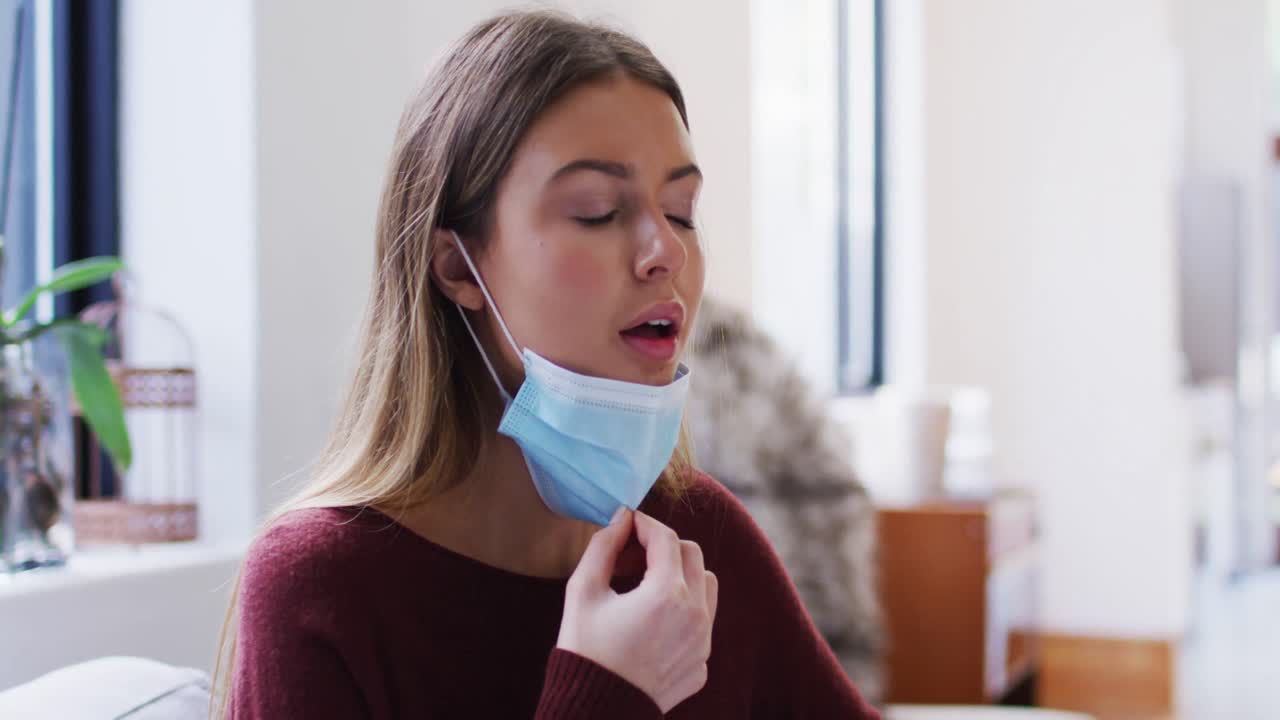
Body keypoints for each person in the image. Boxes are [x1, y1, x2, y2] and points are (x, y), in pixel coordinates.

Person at [212, 9, 880, 719]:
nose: (667, 251)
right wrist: (608, 691)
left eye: (682, 211)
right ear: (455, 267)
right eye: (596, 211)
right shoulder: (317, 588)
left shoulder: (703, 537)